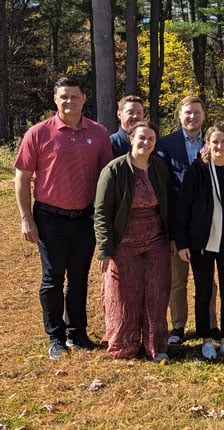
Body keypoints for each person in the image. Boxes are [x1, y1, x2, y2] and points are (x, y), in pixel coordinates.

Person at [14, 77, 112, 359]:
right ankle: (56, 337)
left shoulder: (99, 133)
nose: (69, 101)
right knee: (53, 278)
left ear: (84, 99)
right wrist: (25, 218)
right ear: (55, 100)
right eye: (63, 97)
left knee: (79, 278)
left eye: (74, 96)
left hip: (84, 218)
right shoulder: (39, 133)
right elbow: (22, 177)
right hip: (49, 218)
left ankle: (77, 333)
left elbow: (107, 176)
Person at [94, 121, 173, 361]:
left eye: (151, 138)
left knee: (157, 294)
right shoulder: (114, 169)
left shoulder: (159, 168)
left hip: (156, 242)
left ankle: (156, 347)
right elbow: (102, 212)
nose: (146, 142)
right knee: (124, 295)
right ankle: (124, 346)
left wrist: (172, 239)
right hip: (123, 243)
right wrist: (105, 250)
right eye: (141, 138)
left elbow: (169, 205)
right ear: (131, 139)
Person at [176, 125, 224, 361]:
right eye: (214, 142)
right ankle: (206, 339)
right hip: (202, 241)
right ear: (206, 144)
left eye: (223, 142)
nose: (219, 147)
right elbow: (183, 208)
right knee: (203, 292)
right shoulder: (197, 170)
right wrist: (182, 242)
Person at [156, 95, 218, 345]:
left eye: (196, 112)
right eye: (187, 113)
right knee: (177, 280)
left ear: (204, 115)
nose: (192, 117)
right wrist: (172, 232)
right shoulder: (166, 144)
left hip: (207, 223)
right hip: (177, 223)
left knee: (207, 280)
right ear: (180, 116)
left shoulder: (214, 141)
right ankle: (178, 326)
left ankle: (211, 324)